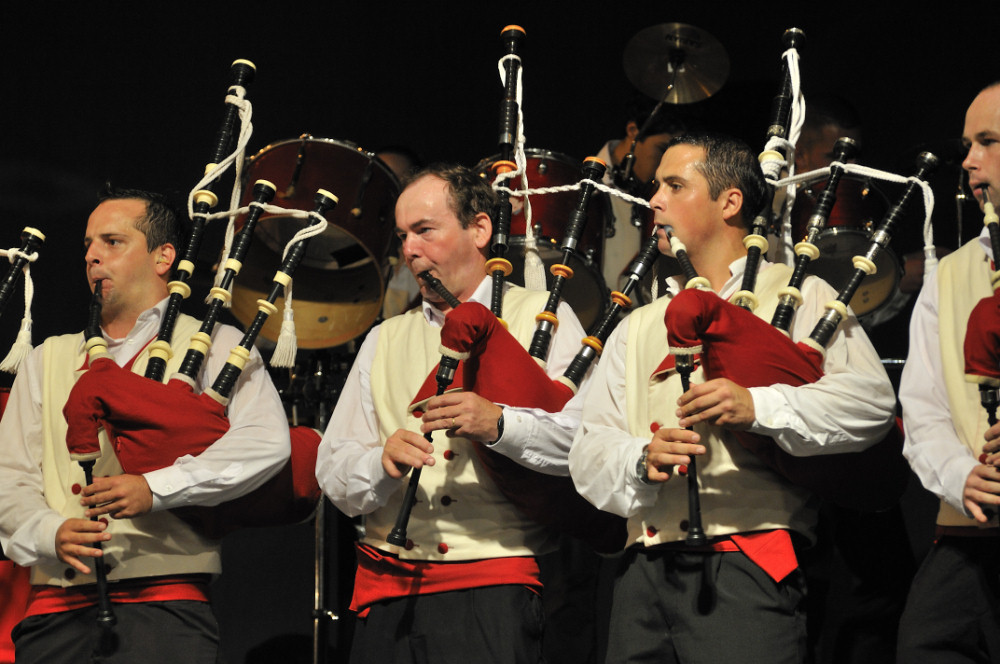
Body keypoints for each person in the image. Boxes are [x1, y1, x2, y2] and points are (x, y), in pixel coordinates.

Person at [569, 133, 896, 663]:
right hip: (641, 573)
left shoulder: (798, 294)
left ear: (730, 202)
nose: (655, 201)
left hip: (748, 560)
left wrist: (758, 406)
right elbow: (588, 449)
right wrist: (640, 458)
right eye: (657, 187)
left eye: (675, 186)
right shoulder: (638, 326)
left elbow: (871, 404)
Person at [0, 186, 290, 663]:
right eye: (88, 245)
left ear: (164, 257)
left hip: (166, 605)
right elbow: (11, 475)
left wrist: (157, 488)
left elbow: (264, 444)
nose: (92, 255)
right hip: (55, 610)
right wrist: (49, 530)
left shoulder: (216, 342)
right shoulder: (46, 357)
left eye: (112, 242)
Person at [315, 163, 592, 663]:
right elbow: (332, 468)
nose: (409, 250)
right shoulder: (385, 337)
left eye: (424, 231)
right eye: (402, 236)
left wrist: (502, 425)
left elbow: (586, 444)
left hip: (494, 588)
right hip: (388, 589)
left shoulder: (541, 317)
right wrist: (379, 462)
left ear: (480, 230)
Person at [896, 82, 1000, 662]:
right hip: (971, 535)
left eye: (987, 141)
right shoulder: (951, 275)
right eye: (967, 143)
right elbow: (925, 408)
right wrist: (961, 475)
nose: (968, 160)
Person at [596, 95, 686, 294]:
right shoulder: (583, 184)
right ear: (633, 131)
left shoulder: (662, 193)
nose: (667, 163)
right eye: (662, 149)